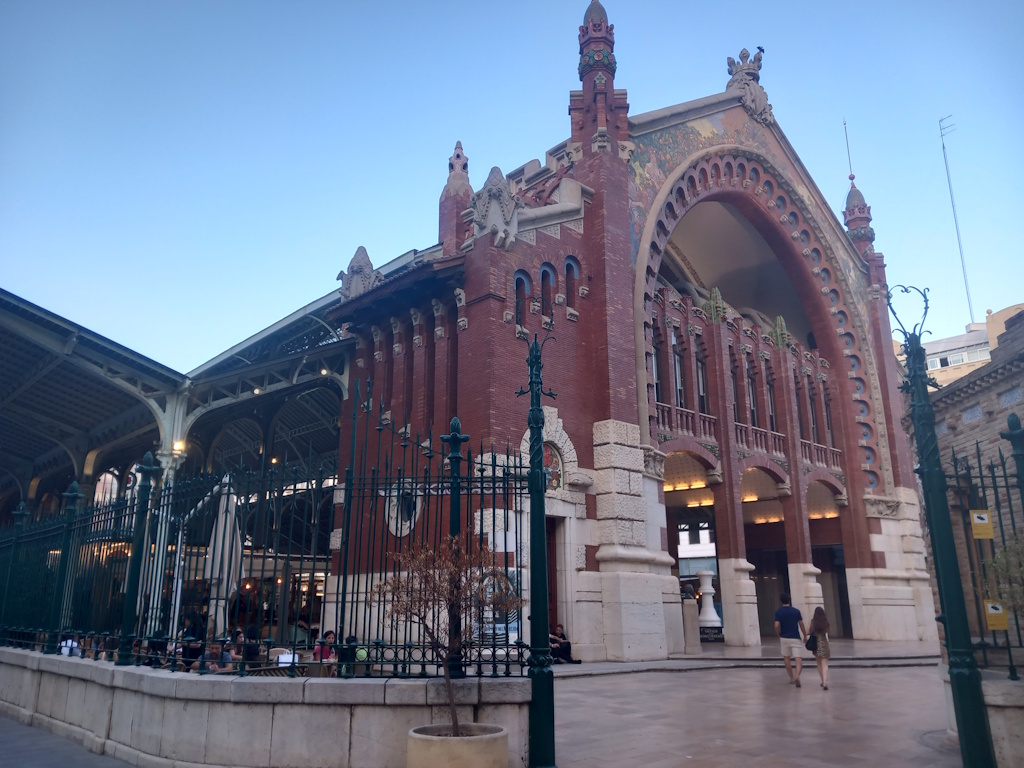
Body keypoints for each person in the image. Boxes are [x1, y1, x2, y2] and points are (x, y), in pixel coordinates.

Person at [774, 593, 807, 687]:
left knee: (786, 657)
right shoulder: (796, 611)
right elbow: (801, 624)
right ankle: (797, 675)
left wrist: (778, 634)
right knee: (798, 658)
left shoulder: (778, 612)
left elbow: (776, 625)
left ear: (781, 601)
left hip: (784, 637)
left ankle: (792, 678)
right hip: (795, 637)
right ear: (789, 600)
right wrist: (805, 635)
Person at [808, 606, 832, 689]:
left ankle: (822, 681)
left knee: (819, 664)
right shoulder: (825, 622)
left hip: (816, 645)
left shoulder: (813, 622)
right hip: (824, 643)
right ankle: (825, 682)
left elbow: (808, 632)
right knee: (825, 664)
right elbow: (828, 631)